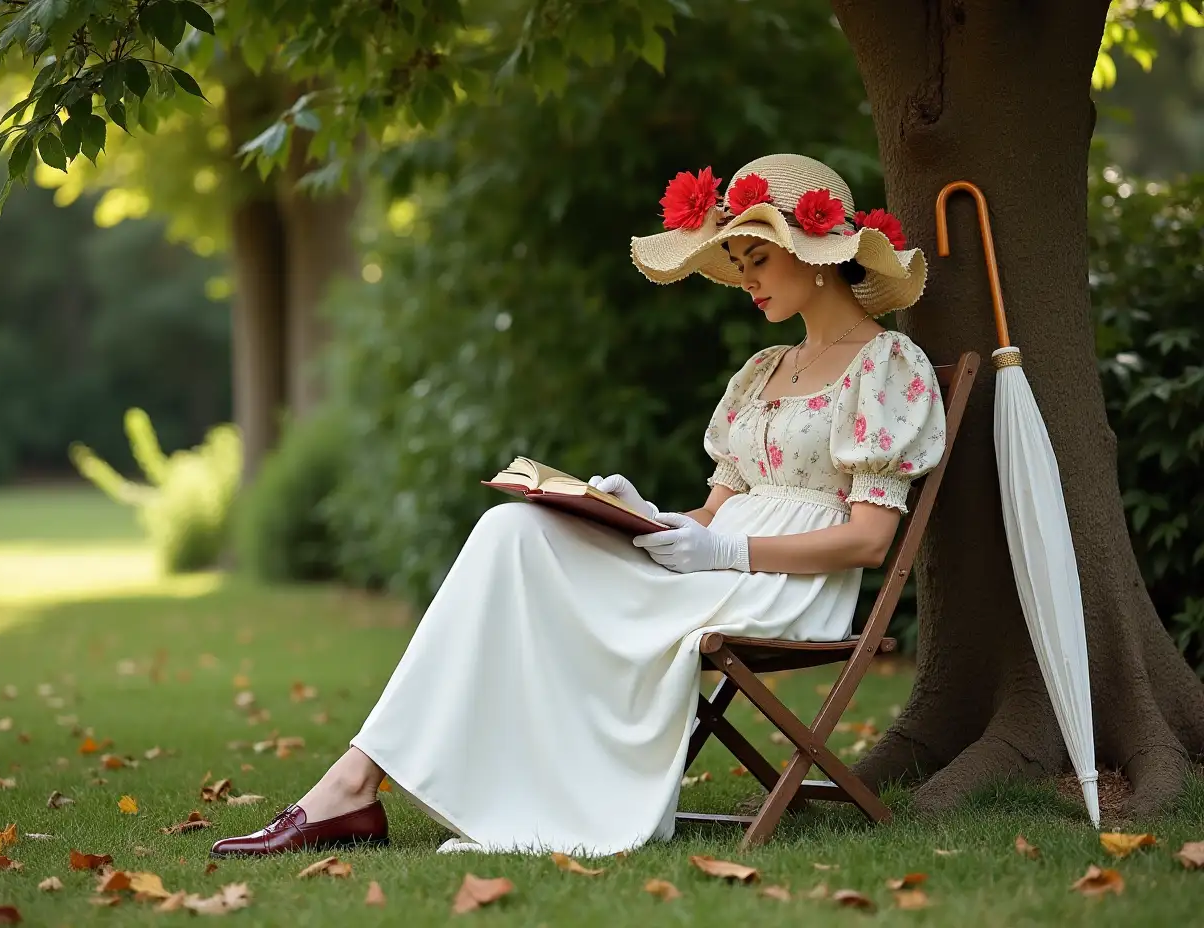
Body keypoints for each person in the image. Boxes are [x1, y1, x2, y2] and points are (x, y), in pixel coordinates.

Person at [208, 153, 946, 860]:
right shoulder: (763, 369)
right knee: (515, 528)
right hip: (714, 564)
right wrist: (650, 516)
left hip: (788, 587)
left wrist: (724, 551)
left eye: (760, 260)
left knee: (524, 545)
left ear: (818, 254)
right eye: (740, 266)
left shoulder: (886, 364)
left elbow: (868, 542)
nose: (747, 282)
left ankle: (352, 790)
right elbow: (714, 513)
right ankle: (353, 779)